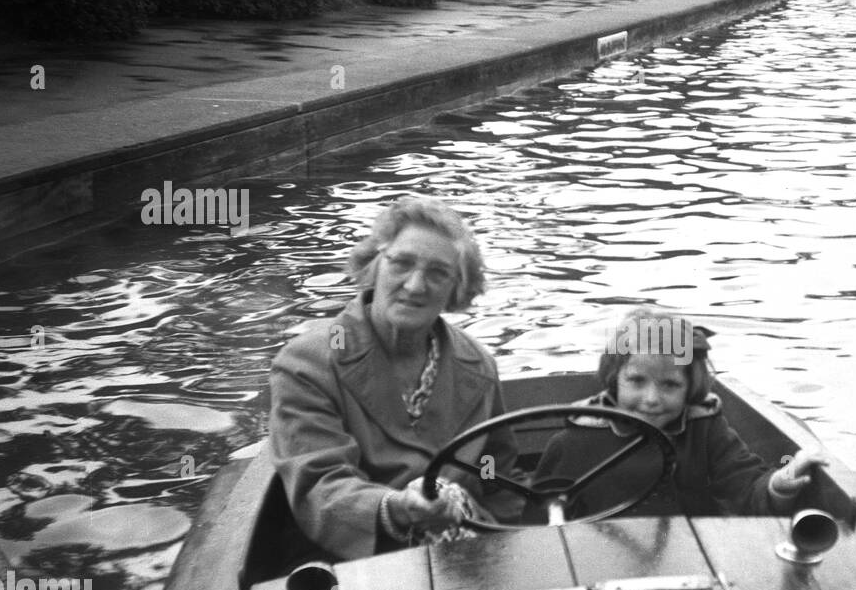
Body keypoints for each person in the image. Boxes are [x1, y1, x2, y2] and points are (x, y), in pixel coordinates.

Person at [268, 194, 521, 561]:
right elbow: (320, 486)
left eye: (438, 273)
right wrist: (397, 507)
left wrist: (508, 543)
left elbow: (496, 473)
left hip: (467, 557)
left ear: (457, 289)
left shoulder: (478, 365)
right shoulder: (308, 363)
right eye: (402, 263)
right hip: (364, 566)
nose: (416, 286)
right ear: (373, 266)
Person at [532, 309, 826, 519]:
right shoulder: (573, 441)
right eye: (637, 381)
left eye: (670, 385)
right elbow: (537, 518)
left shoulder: (707, 431)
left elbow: (746, 488)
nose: (651, 399)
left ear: (689, 390)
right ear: (614, 379)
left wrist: (779, 483)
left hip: (698, 563)